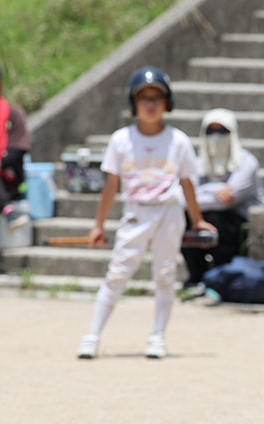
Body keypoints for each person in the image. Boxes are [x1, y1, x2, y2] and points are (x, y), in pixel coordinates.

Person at [75, 66, 216, 360]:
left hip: (169, 212)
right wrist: (98, 225)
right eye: (144, 98)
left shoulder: (177, 140)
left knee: (164, 274)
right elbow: (111, 185)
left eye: (156, 98)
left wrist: (198, 219)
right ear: (133, 103)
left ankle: (157, 336)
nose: (150, 104)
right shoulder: (121, 140)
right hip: (136, 213)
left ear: (167, 103)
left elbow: (187, 182)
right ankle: (92, 335)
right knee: (117, 275)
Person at [182, 108, 264, 290]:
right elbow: (183, 198)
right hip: (204, 218)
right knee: (183, 219)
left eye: (222, 131)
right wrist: (217, 190)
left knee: (215, 219)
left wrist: (198, 195)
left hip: (239, 224)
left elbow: (226, 201)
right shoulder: (198, 164)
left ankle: (222, 278)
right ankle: (197, 276)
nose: (216, 137)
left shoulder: (247, 162)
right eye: (210, 131)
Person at [0, 61, 30, 232]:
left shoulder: (14, 114)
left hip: (9, 176)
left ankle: (8, 210)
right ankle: (9, 212)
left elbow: (19, 150)